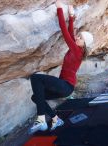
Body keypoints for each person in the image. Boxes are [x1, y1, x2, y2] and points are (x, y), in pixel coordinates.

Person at [28, 0, 93, 135]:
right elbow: (69, 33)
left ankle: (41, 119)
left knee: (35, 78)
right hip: (64, 88)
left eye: (80, 37)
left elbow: (65, 32)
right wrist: (71, 16)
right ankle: (55, 119)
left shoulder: (77, 51)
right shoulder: (77, 49)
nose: (77, 37)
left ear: (84, 43)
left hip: (66, 86)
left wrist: (59, 9)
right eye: (78, 35)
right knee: (36, 97)